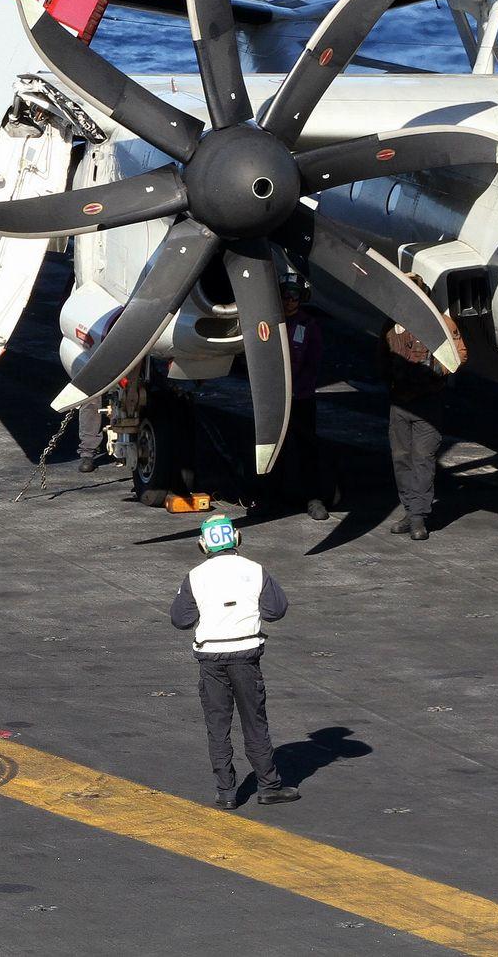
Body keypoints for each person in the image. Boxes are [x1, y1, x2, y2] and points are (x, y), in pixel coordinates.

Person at [169, 516, 300, 809]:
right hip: (246, 657)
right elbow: (276, 610)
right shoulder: (255, 570)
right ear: (237, 538)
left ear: (203, 545)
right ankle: (268, 786)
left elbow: (181, 619)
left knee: (217, 726)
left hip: (211, 659)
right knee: (255, 722)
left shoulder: (195, 576)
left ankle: (226, 792)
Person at [377, 317, 464, 540]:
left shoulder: (440, 323)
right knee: (401, 458)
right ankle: (410, 510)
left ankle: (418, 517)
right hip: (400, 403)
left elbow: (460, 353)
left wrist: (437, 369)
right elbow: (381, 357)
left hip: (428, 403)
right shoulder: (390, 326)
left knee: (423, 459)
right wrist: (391, 379)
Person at [274, 276, 329, 519]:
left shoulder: (308, 325)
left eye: (294, 297)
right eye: (285, 296)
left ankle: (313, 499)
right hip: (275, 398)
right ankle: (269, 498)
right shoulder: (270, 323)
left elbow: (313, 363)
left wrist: (297, 389)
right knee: (273, 450)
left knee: (307, 448)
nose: (289, 301)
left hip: (300, 398)